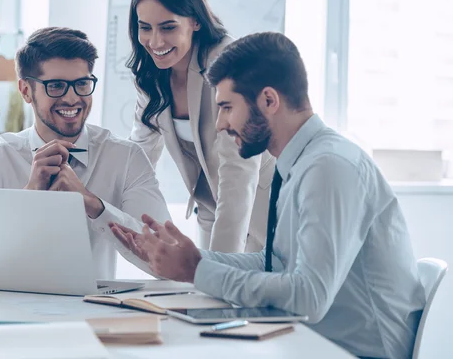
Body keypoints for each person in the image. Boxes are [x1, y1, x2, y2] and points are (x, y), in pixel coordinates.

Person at [111, 32, 426, 359]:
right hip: (314, 344)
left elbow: (309, 299)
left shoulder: (329, 168)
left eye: (227, 107)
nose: (220, 124)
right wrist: (189, 259)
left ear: (269, 101)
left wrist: (196, 271)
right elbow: (276, 264)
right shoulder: (300, 162)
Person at [0, 27, 170, 279]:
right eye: (56, 86)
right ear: (25, 91)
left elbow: (169, 259)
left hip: (94, 314)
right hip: (4, 311)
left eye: (82, 84)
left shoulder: (125, 158)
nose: (72, 98)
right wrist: (26, 199)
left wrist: (92, 204)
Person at [127, 0, 274, 253]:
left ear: (194, 21)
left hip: (266, 210)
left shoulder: (230, 65)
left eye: (167, 27)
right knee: (206, 293)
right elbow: (139, 160)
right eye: (145, 27)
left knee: (237, 289)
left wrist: (220, 271)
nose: (155, 42)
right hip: (211, 212)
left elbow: (238, 172)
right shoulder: (151, 77)